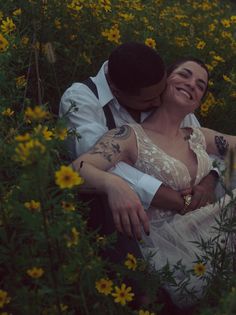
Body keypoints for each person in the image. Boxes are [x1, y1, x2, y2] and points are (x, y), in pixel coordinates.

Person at [71, 58, 236, 307]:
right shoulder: (129, 135)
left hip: (210, 237)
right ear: (164, 82)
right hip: (166, 246)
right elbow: (79, 167)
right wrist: (113, 184)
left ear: (198, 102)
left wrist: (212, 179)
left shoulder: (199, 136)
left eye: (200, 85)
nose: (192, 84)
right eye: (185, 75)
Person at [60, 42, 218, 240]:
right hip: (124, 230)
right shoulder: (81, 100)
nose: (159, 102)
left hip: (192, 221)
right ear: (117, 92)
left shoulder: (165, 95)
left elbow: (205, 148)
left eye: (161, 92)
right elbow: (95, 164)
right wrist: (179, 201)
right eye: (149, 101)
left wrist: (209, 181)